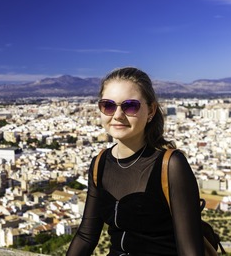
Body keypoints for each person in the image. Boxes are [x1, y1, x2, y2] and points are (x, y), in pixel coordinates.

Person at [67, 67, 204, 256]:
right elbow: (86, 236)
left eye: (130, 106)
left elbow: (190, 252)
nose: (117, 115)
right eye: (108, 105)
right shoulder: (100, 163)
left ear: (151, 111)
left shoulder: (171, 165)